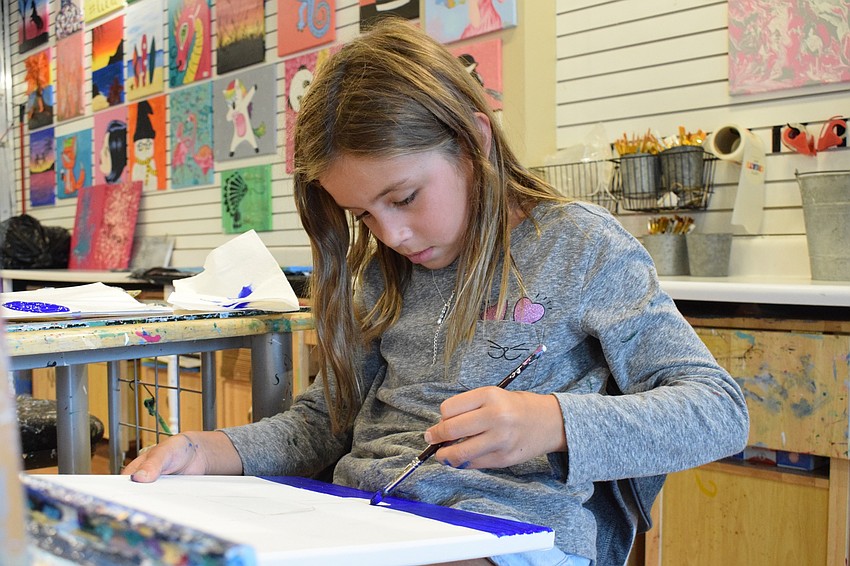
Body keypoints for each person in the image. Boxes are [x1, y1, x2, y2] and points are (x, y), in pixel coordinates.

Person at [124, 18, 749, 566]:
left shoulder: (581, 248)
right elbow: (326, 425)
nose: (390, 234)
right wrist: (210, 451)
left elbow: (720, 412)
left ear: (474, 141)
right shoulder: (381, 274)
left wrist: (553, 422)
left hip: (510, 538)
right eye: (363, 215)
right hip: (362, 519)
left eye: (403, 198)